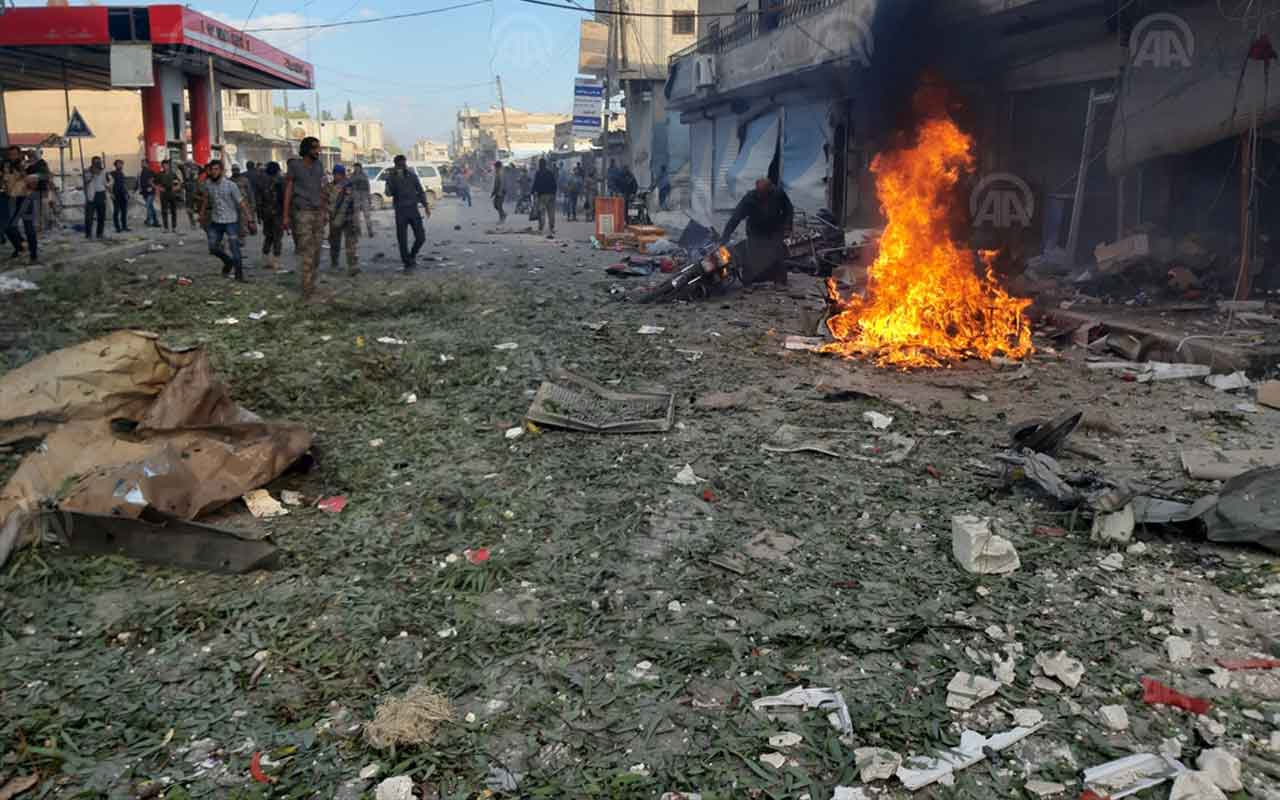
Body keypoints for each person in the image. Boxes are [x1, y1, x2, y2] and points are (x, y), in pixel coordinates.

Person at [720, 177, 794, 285]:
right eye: (759, 193)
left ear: (770, 190)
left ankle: (780, 282)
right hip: (755, 230)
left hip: (774, 229)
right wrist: (725, 236)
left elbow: (788, 209)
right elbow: (736, 217)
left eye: (764, 193)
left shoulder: (778, 194)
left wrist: (787, 227)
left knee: (777, 254)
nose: (761, 196)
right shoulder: (749, 198)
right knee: (750, 256)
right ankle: (748, 282)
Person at [283, 136, 329, 299]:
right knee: (307, 252)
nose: (318, 151)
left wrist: (325, 211)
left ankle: (312, 284)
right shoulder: (295, 166)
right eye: (315, 148)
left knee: (317, 252)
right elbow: (288, 189)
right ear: (307, 150)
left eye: (318, 147)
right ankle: (306, 289)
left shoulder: (319, 166)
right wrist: (286, 216)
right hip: (302, 213)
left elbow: (322, 188)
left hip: (318, 213)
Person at [197, 159, 256, 281]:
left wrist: (250, 220)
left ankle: (239, 276)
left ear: (221, 171)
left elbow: (242, 203)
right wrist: (201, 215)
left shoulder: (231, 186)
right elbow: (206, 199)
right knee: (213, 248)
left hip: (231, 221)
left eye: (216, 169)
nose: (213, 172)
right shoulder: (208, 184)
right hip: (216, 221)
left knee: (235, 249)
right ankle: (228, 262)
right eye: (212, 169)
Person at [382, 154, 430, 271]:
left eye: (403, 164)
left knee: (421, 237)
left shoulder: (412, 176)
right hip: (400, 211)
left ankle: (412, 255)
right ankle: (407, 262)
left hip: (413, 210)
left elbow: (420, 191)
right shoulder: (391, 177)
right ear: (395, 165)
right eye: (399, 165)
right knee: (402, 239)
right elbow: (388, 193)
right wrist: (391, 180)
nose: (402, 166)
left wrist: (426, 206)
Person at [327, 164, 361, 276]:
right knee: (334, 243)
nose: (337, 176)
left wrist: (356, 220)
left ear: (342, 174)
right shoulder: (329, 186)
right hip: (334, 219)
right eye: (335, 174)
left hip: (348, 219)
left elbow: (355, 202)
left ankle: (352, 266)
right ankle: (334, 264)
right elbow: (325, 201)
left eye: (339, 174)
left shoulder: (349, 185)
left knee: (350, 244)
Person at [257, 162, 286, 270]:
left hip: (266, 214)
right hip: (278, 213)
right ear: (277, 170)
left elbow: (258, 200)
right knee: (277, 237)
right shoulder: (281, 181)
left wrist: (259, 215)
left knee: (268, 236)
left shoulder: (262, 181)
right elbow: (284, 199)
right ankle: (276, 262)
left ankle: (265, 259)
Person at [1, 146, 26, 257]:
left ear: (19, 154)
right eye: (10, 154)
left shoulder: (22, 165)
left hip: (18, 198)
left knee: (9, 225)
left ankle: (20, 247)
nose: (12, 157)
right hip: (6, 197)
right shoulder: (5, 165)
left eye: (14, 154)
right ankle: (20, 246)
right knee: (7, 226)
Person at [531, 157, 557, 238]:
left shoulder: (538, 173)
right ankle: (551, 227)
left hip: (542, 195)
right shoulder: (550, 173)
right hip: (551, 195)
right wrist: (554, 193)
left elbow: (535, 183)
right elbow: (554, 184)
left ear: (540, 165)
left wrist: (532, 192)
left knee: (541, 212)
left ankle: (541, 227)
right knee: (551, 212)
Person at [83, 156, 108, 240]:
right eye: (96, 162)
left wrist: (109, 189)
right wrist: (93, 174)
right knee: (89, 217)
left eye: (99, 162)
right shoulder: (87, 171)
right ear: (92, 162)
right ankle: (88, 234)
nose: (98, 164)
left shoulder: (103, 171)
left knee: (101, 216)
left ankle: (99, 233)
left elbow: (105, 182)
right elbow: (86, 181)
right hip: (92, 195)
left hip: (101, 194)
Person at [156, 159, 181, 231]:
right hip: (163, 194)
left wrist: (176, 187)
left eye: (166, 165)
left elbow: (179, 182)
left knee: (173, 211)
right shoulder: (160, 174)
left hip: (172, 193)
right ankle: (166, 227)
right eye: (163, 165)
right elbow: (154, 182)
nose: (165, 167)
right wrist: (159, 188)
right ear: (162, 166)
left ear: (168, 166)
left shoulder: (173, 174)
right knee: (164, 211)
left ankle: (174, 227)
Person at [351, 163, 374, 237]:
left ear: (360, 168)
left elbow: (368, 187)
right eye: (355, 168)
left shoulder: (364, 176)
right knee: (356, 217)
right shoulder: (352, 176)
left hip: (364, 198)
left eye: (357, 168)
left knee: (367, 215)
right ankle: (358, 231)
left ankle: (370, 231)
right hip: (356, 198)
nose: (356, 169)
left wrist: (369, 198)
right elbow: (349, 187)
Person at [109, 159, 130, 232]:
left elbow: (123, 185)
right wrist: (111, 193)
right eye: (119, 164)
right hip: (116, 195)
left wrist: (127, 193)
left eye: (121, 164)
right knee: (116, 211)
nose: (120, 165)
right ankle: (117, 227)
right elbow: (109, 185)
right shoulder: (112, 173)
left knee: (124, 211)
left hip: (123, 195)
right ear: (115, 165)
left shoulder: (122, 173)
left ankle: (124, 226)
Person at [139, 162, 159, 227]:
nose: (142, 164)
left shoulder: (150, 171)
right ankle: (154, 221)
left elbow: (156, 179)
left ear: (147, 164)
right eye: (142, 163)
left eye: (143, 163)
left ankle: (150, 221)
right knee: (150, 207)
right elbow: (139, 182)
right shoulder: (141, 172)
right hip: (144, 192)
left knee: (148, 206)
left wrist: (151, 185)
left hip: (150, 192)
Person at [182, 161, 200, 228]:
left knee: (198, 208)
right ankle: (192, 222)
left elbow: (196, 180)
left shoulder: (195, 172)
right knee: (189, 209)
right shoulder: (185, 174)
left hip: (195, 193)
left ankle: (196, 221)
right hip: (189, 193)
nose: (187, 169)